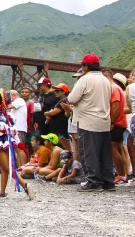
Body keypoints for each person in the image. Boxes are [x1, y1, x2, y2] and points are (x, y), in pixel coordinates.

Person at [66, 53, 114, 192]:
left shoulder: (85, 79)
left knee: (89, 152)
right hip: (103, 121)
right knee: (104, 153)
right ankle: (108, 181)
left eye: (82, 65)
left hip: (87, 121)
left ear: (86, 66)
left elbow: (72, 98)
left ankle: (93, 181)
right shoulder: (105, 80)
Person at [102, 69, 129, 184]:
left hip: (117, 123)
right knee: (117, 148)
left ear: (107, 77)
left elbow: (116, 106)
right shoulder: (116, 88)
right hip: (118, 122)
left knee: (113, 147)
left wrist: (112, 122)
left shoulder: (113, 88)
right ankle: (123, 173)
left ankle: (121, 174)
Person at [45, 83, 71, 151]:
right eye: (55, 91)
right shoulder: (60, 101)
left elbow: (53, 113)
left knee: (65, 148)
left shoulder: (64, 101)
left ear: (64, 92)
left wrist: (46, 113)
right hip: (59, 129)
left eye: (57, 91)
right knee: (62, 148)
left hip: (62, 129)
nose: (55, 92)